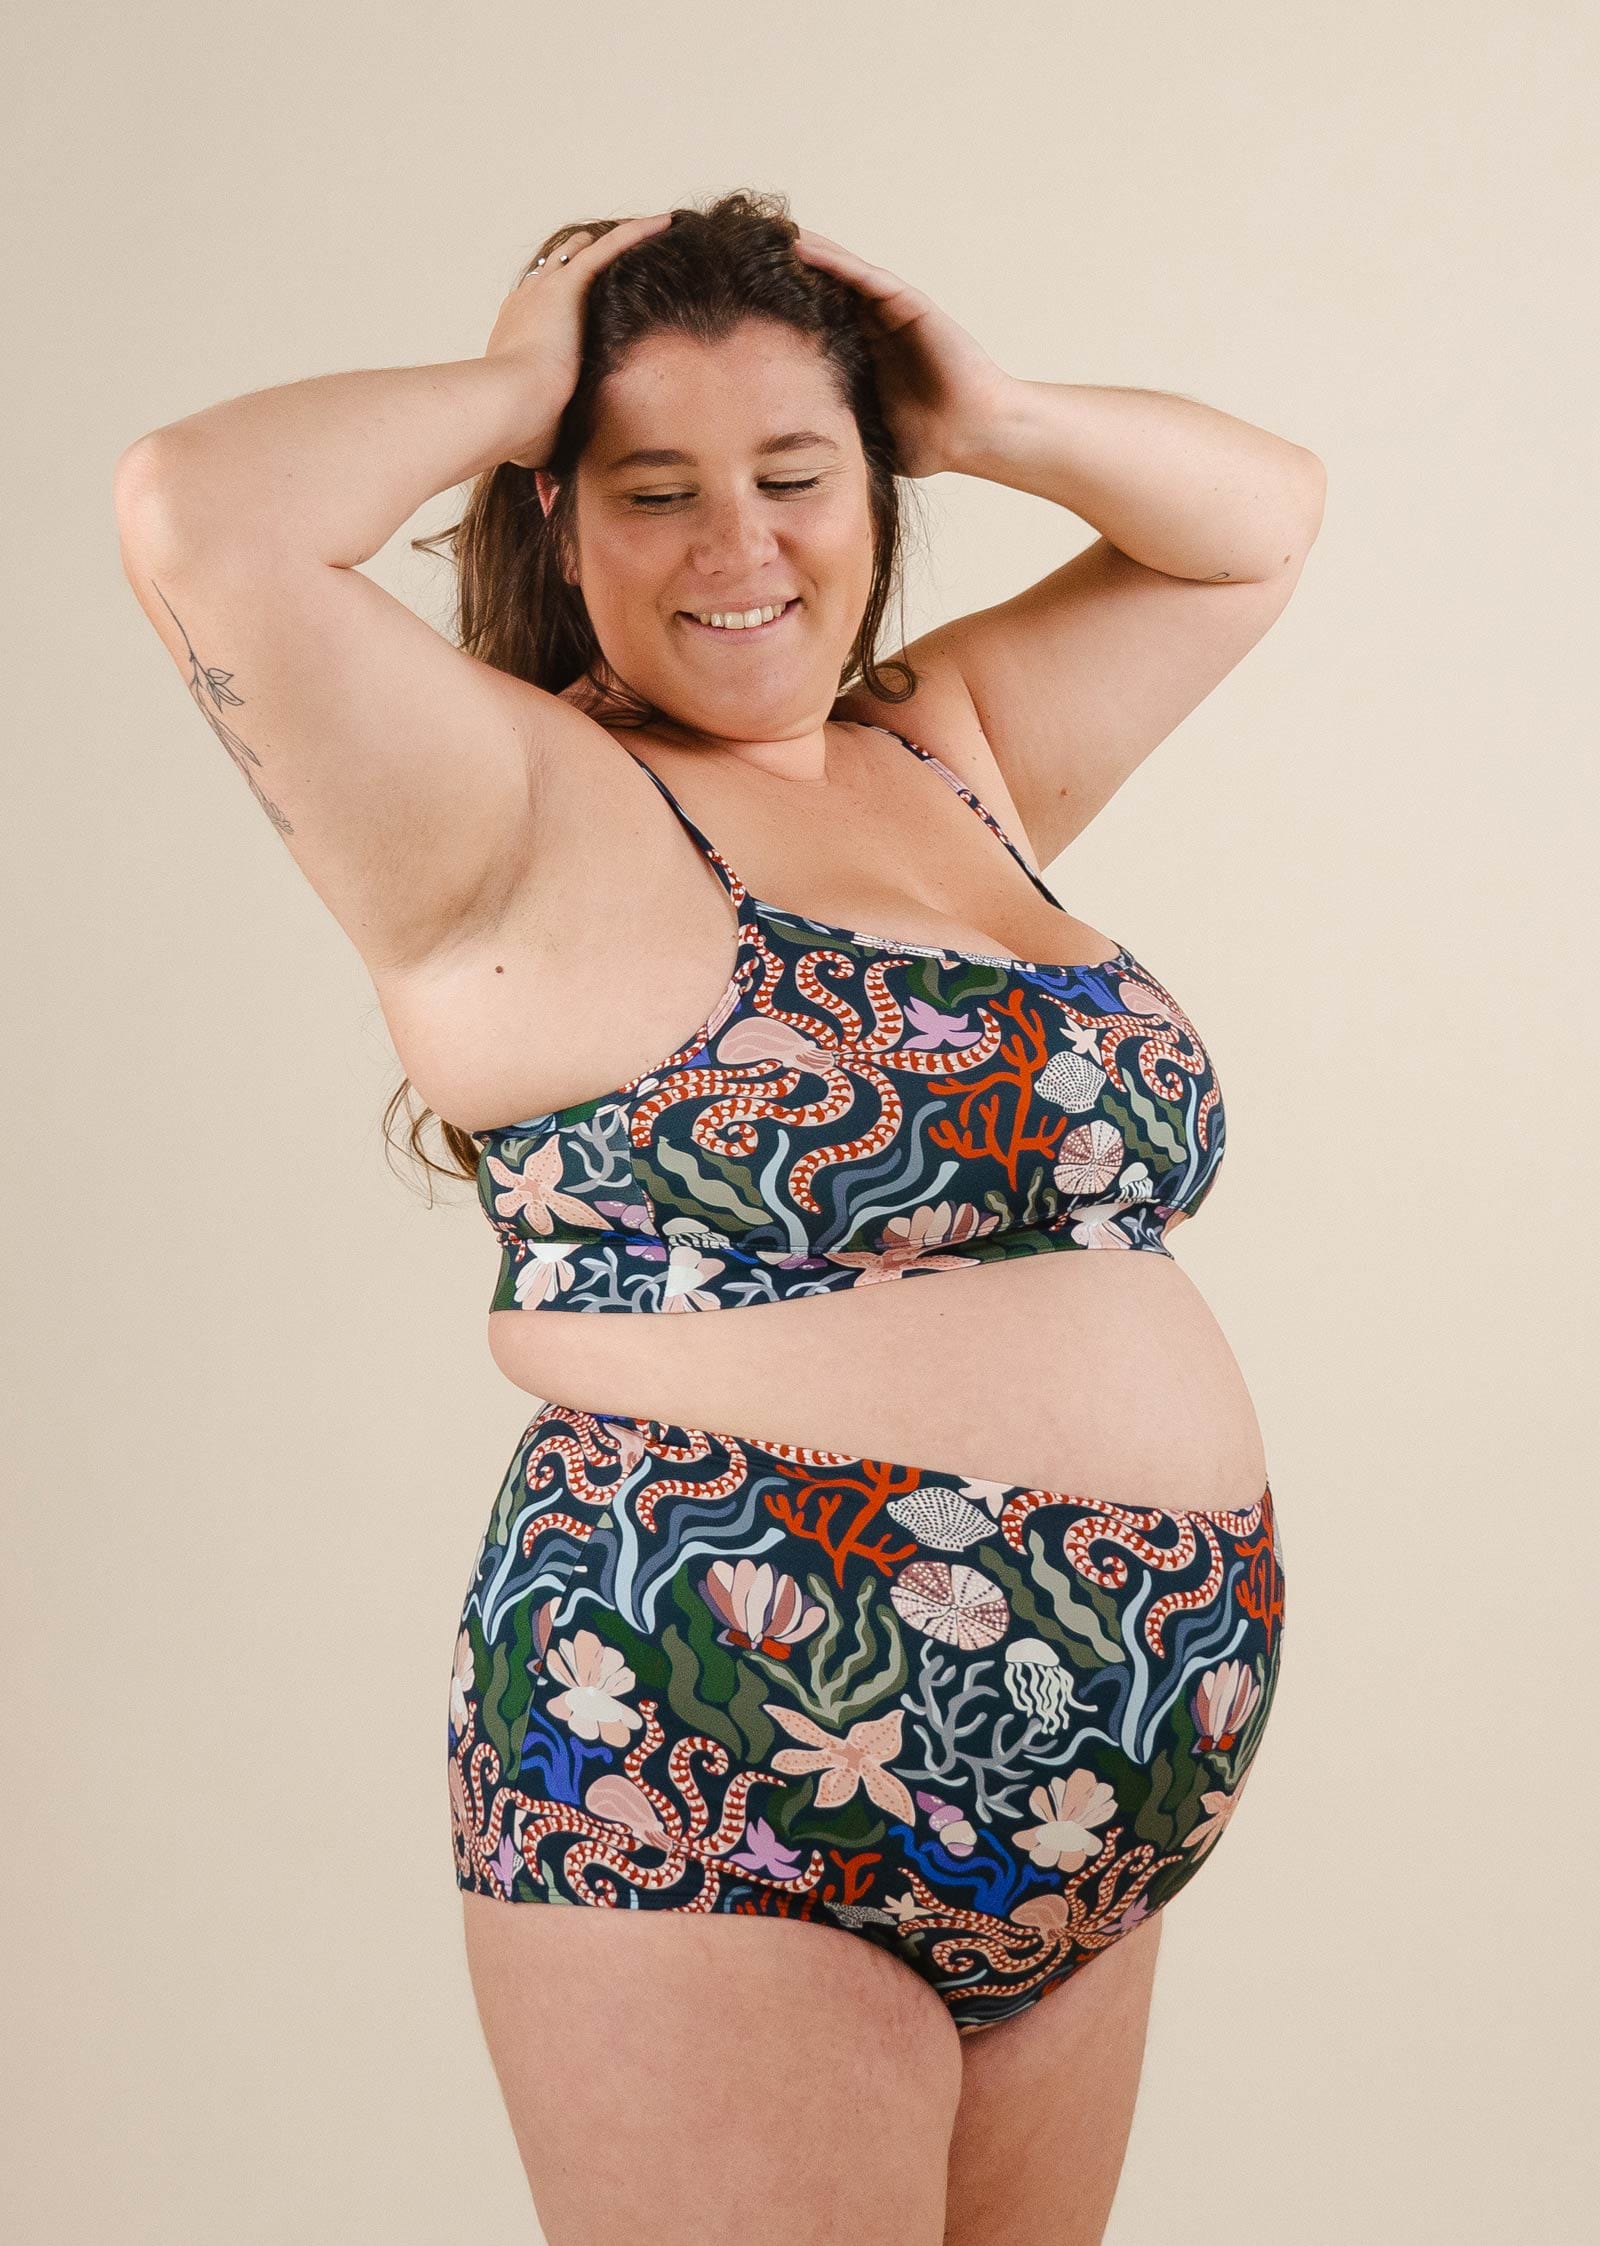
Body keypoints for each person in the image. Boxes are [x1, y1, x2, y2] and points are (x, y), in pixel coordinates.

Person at [114, 189, 1322, 2246]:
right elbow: (196, 511)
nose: (740, 547)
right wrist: (511, 379)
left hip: (1095, 1781)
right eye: (653, 489)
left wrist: (995, 405)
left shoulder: (944, 758)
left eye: (794, 472)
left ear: (876, 483)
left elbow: (1257, 519)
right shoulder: (506, 807)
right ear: (552, 518)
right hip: (719, 1754)